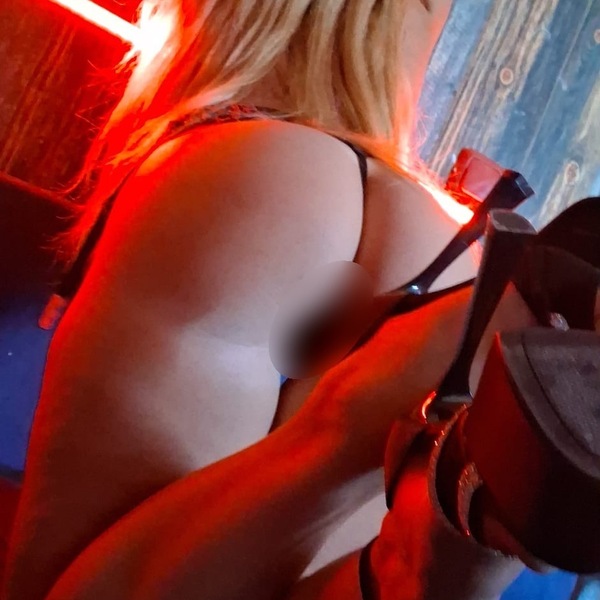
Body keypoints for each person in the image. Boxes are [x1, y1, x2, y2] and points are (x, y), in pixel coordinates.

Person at [3, 1, 597, 598]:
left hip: (261, 186)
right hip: (447, 267)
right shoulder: (440, 243)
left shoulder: (235, 174)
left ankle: (353, 432)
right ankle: (436, 540)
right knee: (405, 563)